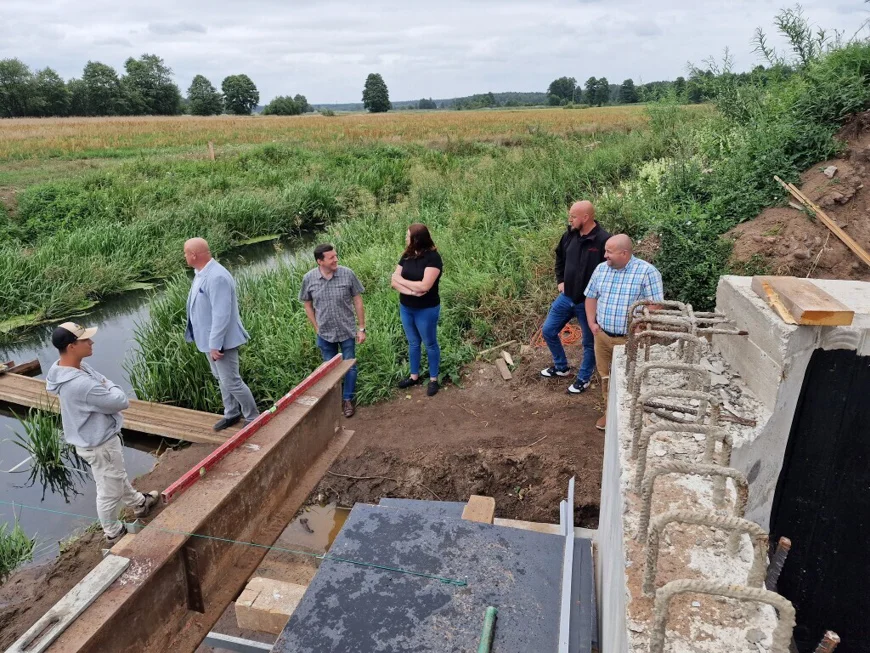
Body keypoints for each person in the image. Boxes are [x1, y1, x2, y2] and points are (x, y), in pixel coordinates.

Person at [45, 322, 159, 545]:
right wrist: (110, 384)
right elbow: (120, 401)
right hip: (99, 444)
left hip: (95, 440)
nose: (91, 342)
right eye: (85, 339)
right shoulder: (80, 385)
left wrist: (104, 383)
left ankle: (139, 503)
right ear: (71, 347)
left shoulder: (67, 367)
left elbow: (101, 382)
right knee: (108, 490)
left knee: (115, 476)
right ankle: (113, 532)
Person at [584, 234, 664, 431]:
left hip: (629, 340)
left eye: (609, 252)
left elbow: (656, 304)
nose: (605, 256)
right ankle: (609, 414)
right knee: (605, 376)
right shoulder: (601, 270)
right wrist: (591, 322)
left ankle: (629, 418)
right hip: (602, 336)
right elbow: (591, 296)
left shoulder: (647, 272)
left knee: (630, 378)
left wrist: (639, 324)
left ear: (624, 253)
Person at [184, 237, 259, 431]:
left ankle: (253, 418)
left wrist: (215, 344)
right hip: (209, 341)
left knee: (232, 381)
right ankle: (231, 413)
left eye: (185, 253)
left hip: (221, 342)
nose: (184, 256)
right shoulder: (201, 273)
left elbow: (221, 313)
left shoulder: (217, 277)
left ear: (194, 255)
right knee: (221, 379)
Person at [540, 200, 610, 395]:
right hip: (566, 297)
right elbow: (559, 258)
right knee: (548, 330)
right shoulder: (569, 235)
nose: (570, 220)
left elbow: (611, 271)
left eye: (573, 217)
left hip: (588, 302)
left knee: (589, 342)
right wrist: (560, 280)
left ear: (586, 217)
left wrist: (599, 298)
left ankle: (584, 378)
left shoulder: (604, 240)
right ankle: (561, 367)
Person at [299, 243, 366, 418]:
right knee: (329, 370)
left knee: (350, 367)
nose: (336, 259)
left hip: (346, 330)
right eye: (331, 257)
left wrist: (361, 328)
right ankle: (334, 399)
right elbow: (307, 304)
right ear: (320, 261)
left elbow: (358, 300)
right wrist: (316, 328)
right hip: (325, 334)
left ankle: (347, 400)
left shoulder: (347, 274)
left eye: (336, 256)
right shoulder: (309, 278)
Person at [391, 223, 443, 397]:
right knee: (413, 342)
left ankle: (434, 379)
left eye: (408, 236)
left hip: (426, 309)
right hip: (406, 307)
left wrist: (403, 282)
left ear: (417, 239)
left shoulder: (433, 258)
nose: (406, 238)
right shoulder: (406, 255)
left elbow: (426, 285)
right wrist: (413, 291)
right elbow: (393, 281)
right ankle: (414, 376)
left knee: (429, 343)